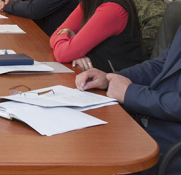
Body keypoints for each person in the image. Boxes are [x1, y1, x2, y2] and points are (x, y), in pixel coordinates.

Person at [76, 26, 181, 174]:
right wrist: (111, 78)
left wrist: (130, 93)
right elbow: (161, 65)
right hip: (148, 123)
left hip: (169, 144)